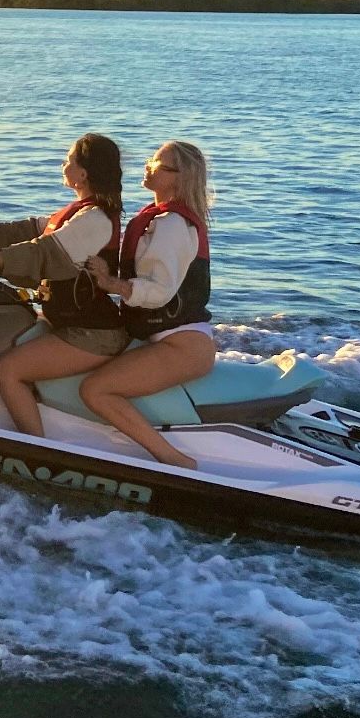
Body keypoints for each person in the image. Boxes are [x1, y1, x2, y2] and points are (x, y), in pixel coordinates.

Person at [0, 134, 128, 439]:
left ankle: (36, 448)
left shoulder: (94, 220)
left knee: (8, 371)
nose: (63, 164)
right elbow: (31, 228)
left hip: (94, 333)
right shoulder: (81, 212)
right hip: (69, 323)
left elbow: (40, 252)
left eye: (69, 160)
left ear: (84, 173)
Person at [80, 139, 214, 471]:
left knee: (96, 390)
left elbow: (159, 292)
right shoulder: (156, 219)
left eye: (157, 164)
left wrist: (112, 284)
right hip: (169, 337)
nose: (147, 166)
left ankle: (174, 461)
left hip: (181, 345)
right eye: (150, 160)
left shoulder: (171, 224)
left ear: (179, 179)